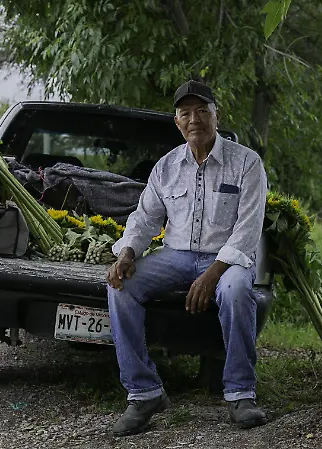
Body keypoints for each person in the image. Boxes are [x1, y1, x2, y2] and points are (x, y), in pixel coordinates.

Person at [105, 80, 268, 437]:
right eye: (186, 113)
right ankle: (144, 392)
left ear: (216, 115)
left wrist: (212, 274)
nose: (195, 119)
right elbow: (145, 219)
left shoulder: (246, 163)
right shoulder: (166, 167)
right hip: (175, 256)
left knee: (237, 291)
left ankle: (240, 393)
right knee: (120, 287)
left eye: (202, 111)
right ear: (177, 122)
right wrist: (127, 253)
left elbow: (248, 228)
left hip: (228, 260)